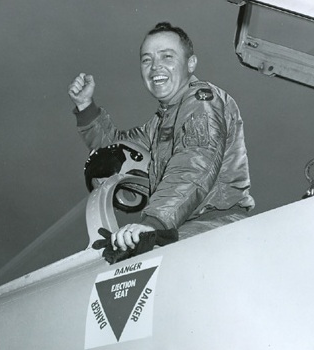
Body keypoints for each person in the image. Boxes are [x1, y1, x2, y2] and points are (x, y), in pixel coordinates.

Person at [68, 22, 255, 253]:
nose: (155, 67)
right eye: (147, 60)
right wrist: (86, 107)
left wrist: (154, 223)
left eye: (167, 57)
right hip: (185, 228)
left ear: (191, 63)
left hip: (214, 230)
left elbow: (193, 164)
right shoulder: (160, 124)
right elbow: (116, 153)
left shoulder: (200, 101)